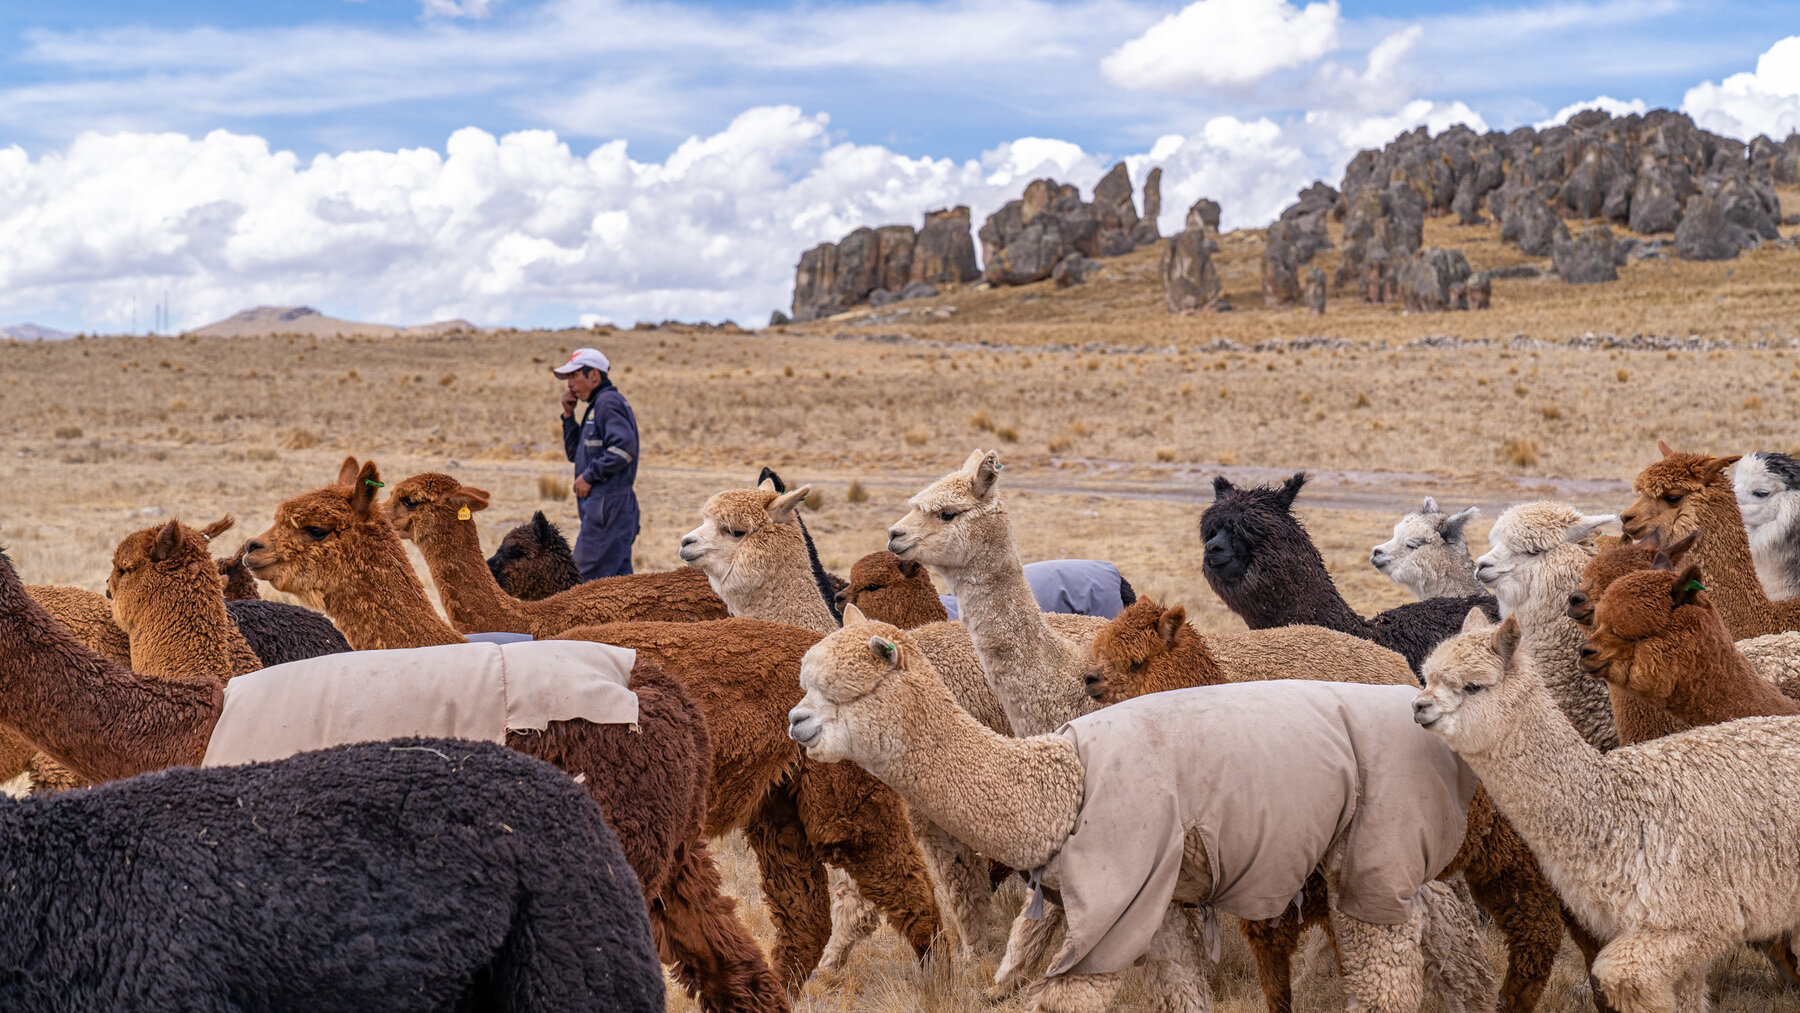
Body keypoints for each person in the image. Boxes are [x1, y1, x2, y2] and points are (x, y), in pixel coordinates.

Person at [553, 348, 639, 579]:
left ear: (594, 376)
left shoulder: (607, 403)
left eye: (574, 376)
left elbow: (624, 449)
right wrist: (568, 416)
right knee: (617, 584)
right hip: (606, 510)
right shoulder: (595, 406)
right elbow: (575, 453)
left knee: (580, 580)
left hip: (609, 508)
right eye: (568, 378)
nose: (569, 384)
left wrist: (589, 476)